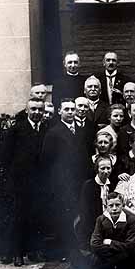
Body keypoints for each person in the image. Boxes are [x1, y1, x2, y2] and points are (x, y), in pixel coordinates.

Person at [0, 97, 47, 266]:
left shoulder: (46, 129)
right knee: (19, 217)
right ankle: (17, 253)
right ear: (27, 110)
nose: (36, 113)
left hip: (40, 183)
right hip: (21, 183)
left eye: (40, 110)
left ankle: (33, 251)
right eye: (33, 109)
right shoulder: (16, 130)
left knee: (37, 216)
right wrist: (15, 176)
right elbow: (5, 157)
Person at [41, 98, 90, 255]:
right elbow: (46, 162)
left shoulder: (81, 131)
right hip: (63, 182)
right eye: (67, 109)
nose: (70, 112)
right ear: (60, 112)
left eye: (72, 109)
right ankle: (66, 250)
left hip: (80, 180)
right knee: (65, 215)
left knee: (80, 213)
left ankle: (80, 246)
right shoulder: (53, 133)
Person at [82, 192, 135, 269]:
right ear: (106, 206)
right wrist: (118, 247)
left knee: (126, 257)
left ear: (123, 205)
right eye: (111, 205)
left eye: (117, 205)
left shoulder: (130, 220)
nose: (114, 208)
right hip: (110, 256)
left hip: (124, 258)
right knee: (91, 256)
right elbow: (94, 244)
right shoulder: (101, 220)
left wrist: (110, 242)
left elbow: (130, 246)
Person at [77, 157, 115, 250]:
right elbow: (85, 212)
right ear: (97, 169)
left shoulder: (112, 185)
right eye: (102, 168)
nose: (106, 171)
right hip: (92, 227)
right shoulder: (88, 185)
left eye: (108, 168)